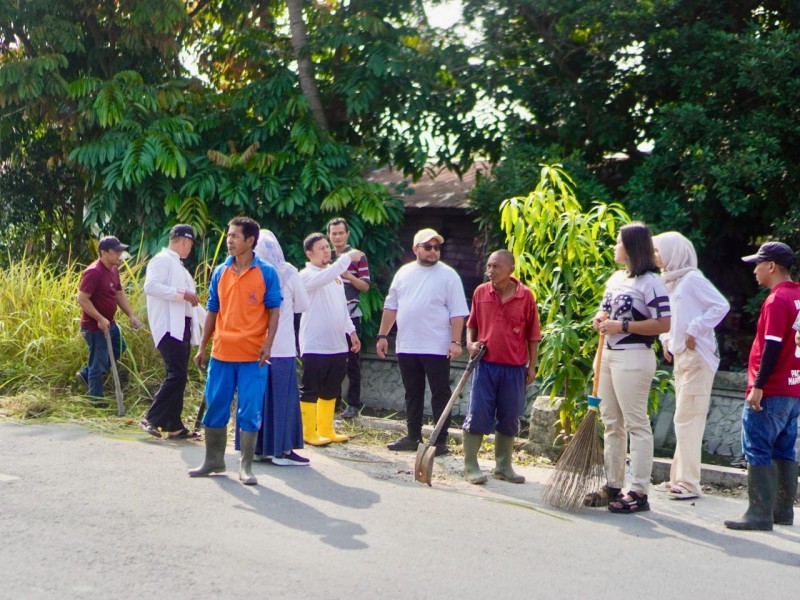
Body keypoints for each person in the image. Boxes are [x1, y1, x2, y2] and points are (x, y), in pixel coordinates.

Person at [189, 217, 282, 486]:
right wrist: (203, 346)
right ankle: (213, 460)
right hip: (221, 354)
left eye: (234, 236)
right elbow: (212, 310)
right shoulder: (220, 271)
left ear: (250, 241)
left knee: (249, 411)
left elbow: (275, 310)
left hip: (254, 356)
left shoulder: (266, 273)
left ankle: (246, 466)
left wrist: (269, 344)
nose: (229, 240)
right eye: (228, 235)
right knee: (215, 406)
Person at [586, 222, 671, 513]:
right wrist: (600, 319)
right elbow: (604, 308)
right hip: (608, 354)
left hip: (634, 355)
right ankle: (613, 484)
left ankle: (639, 491)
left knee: (636, 422)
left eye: (618, 242)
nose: (614, 247)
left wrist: (621, 325)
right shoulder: (615, 278)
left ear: (631, 247)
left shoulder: (652, 282)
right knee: (611, 421)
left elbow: (663, 323)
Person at [724, 241, 800, 531]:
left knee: (757, 447)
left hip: (772, 388)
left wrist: (758, 385)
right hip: (794, 387)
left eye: (757, 264)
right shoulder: (798, 297)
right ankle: (782, 512)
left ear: (771, 266)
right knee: (784, 449)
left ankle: (758, 513)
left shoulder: (776, 300)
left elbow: (772, 345)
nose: (754, 270)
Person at [376, 228, 469, 455]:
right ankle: (413, 436)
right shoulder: (404, 273)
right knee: (412, 392)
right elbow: (391, 306)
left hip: (436, 345)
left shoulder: (448, 275)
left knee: (440, 392)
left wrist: (456, 341)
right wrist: (382, 336)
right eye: (428, 247)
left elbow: (458, 311)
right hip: (407, 344)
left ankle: (439, 441)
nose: (433, 251)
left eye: (437, 248)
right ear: (415, 249)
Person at [651, 232, 730, 500]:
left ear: (674, 252)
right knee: (682, 417)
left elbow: (721, 305)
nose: (655, 257)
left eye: (659, 251)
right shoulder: (672, 282)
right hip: (682, 355)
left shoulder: (692, 279)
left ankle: (689, 483)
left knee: (689, 419)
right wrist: (665, 339)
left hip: (697, 357)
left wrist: (695, 329)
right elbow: (669, 318)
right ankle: (679, 479)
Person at [463, 250, 541, 484]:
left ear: (510, 270)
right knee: (478, 413)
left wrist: (532, 366)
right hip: (485, 365)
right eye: (488, 266)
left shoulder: (526, 296)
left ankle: (503, 466)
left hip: (515, 368)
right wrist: (470, 344)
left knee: (510, 415)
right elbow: (472, 324)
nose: (490, 271)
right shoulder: (481, 292)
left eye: (496, 266)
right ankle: (470, 465)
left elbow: (533, 335)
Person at [235, 229, 311, 465]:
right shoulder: (287, 272)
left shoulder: (249, 272)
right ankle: (281, 451)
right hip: (282, 348)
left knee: (255, 399)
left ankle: (255, 449)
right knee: (282, 399)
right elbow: (303, 304)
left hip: (253, 347)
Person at [298, 232, 364, 445]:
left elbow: (342, 309)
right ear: (309, 254)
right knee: (310, 389)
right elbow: (327, 274)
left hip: (337, 344)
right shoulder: (306, 275)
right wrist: (347, 258)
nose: (327, 251)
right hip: (315, 344)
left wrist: (352, 332)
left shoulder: (335, 276)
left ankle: (326, 430)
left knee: (331, 389)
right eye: (321, 248)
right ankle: (308, 432)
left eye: (328, 247)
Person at [140, 224, 203, 439]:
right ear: (185, 241)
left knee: (180, 375)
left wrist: (216, 322)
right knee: (176, 374)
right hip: (168, 327)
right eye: (191, 244)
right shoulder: (162, 260)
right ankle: (151, 418)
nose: (190, 249)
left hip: (182, 327)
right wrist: (180, 293)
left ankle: (173, 424)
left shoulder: (181, 269)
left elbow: (193, 304)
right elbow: (150, 286)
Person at [76, 235, 142, 406]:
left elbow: (119, 293)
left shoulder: (113, 270)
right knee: (98, 361)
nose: (120, 255)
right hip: (94, 327)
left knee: (120, 348)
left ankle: (85, 374)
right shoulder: (93, 272)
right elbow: (82, 299)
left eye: (121, 251)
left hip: (110, 323)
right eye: (116, 251)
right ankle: (96, 400)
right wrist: (99, 318)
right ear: (104, 253)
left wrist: (131, 315)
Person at [327, 217, 370, 419]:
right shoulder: (324, 256)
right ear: (329, 235)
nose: (337, 237)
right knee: (331, 361)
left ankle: (353, 404)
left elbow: (365, 287)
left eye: (340, 233)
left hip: (351, 315)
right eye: (333, 233)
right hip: (328, 316)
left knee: (352, 361)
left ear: (347, 234)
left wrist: (349, 276)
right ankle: (331, 403)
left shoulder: (357, 257)